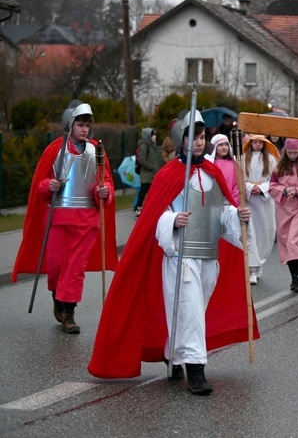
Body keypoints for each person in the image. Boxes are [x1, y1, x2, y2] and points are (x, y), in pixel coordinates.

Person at [88, 110, 258, 396]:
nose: (200, 142)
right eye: (194, 137)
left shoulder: (213, 172)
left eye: (203, 137)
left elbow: (221, 212)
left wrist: (237, 215)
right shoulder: (168, 174)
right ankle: (196, 370)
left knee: (193, 311)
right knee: (190, 311)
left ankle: (174, 353)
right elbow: (156, 217)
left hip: (208, 256)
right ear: (182, 139)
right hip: (180, 257)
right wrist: (172, 221)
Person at [12, 100, 118, 333]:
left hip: (85, 220)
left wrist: (104, 191)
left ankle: (69, 312)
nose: (84, 129)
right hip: (58, 218)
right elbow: (40, 185)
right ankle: (57, 298)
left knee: (75, 268)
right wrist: (48, 185)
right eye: (80, 124)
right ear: (70, 124)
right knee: (58, 265)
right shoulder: (55, 150)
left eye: (87, 125)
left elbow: (105, 180)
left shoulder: (96, 151)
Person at [269, 139, 298, 293]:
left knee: (294, 240)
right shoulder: (279, 167)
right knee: (285, 240)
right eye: (289, 152)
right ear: (285, 152)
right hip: (284, 207)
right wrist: (284, 190)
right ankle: (294, 276)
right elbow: (272, 186)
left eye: (295, 153)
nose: (292, 155)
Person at [243, 135, 279, 284]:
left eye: (260, 142)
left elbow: (274, 180)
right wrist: (251, 188)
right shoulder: (242, 158)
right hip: (249, 200)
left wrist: (262, 188)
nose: (257, 145)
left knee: (265, 232)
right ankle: (252, 268)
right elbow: (240, 178)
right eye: (254, 142)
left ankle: (259, 265)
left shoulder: (271, 160)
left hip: (264, 201)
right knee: (251, 233)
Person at [135, 128, 164, 216]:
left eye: (155, 135)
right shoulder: (144, 146)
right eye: (153, 135)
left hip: (151, 175)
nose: (154, 137)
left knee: (149, 192)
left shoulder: (152, 146)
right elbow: (142, 160)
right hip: (147, 175)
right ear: (148, 136)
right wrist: (152, 167)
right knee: (144, 192)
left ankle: (148, 207)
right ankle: (139, 207)